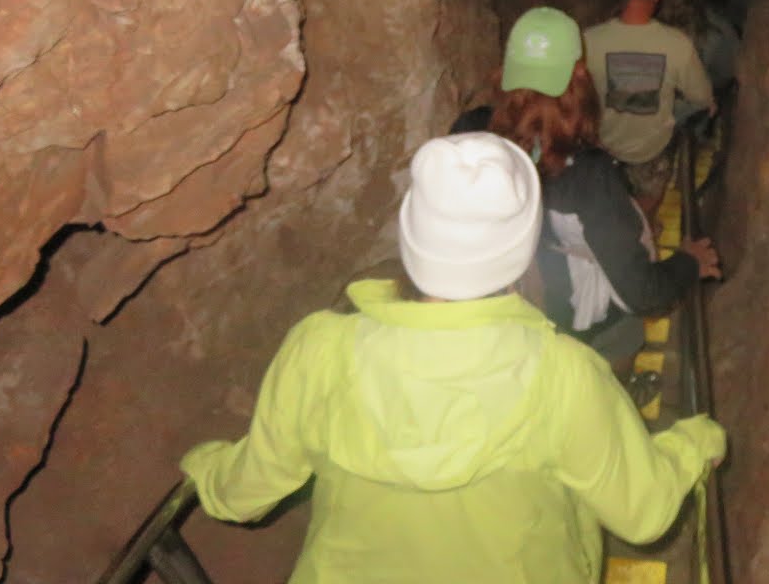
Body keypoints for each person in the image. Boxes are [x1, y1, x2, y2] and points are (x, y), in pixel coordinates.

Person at [180, 132, 724, 584]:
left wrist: (201, 465)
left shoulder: (319, 352)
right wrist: (696, 442)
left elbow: (241, 494)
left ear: (410, 234)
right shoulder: (566, 376)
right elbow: (644, 511)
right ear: (521, 250)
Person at [490, 7, 721, 370]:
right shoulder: (588, 179)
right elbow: (645, 294)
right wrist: (690, 261)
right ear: (580, 76)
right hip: (588, 335)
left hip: (521, 323)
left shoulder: (478, 142)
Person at [583, 0, 714, 213]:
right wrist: (709, 102)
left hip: (604, 147)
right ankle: (646, 224)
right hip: (651, 149)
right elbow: (701, 97)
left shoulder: (589, 40)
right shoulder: (676, 44)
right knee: (647, 202)